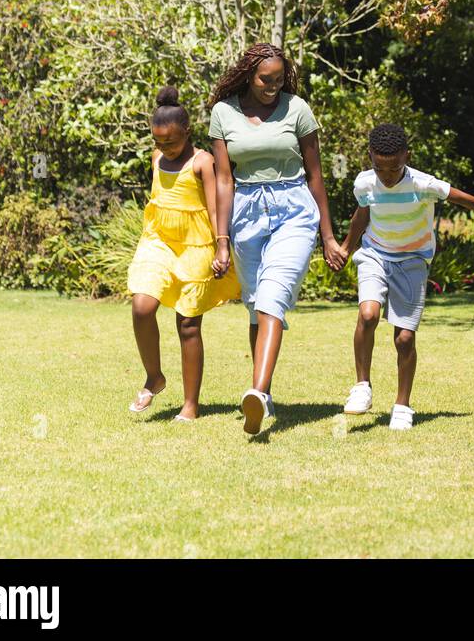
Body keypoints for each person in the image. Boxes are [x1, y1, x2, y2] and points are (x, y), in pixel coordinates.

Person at [209, 43, 345, 435]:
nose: (272, 87)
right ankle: (261, 394)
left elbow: (316, 174)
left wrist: (328, 236)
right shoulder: (224, 113)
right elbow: (223, 179)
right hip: (245, 214)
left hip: (294, 210)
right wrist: (221, 240)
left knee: (273, 297)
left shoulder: (297, 109)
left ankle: (259, 392)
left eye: (279, 80)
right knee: (256, 306)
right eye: (265, 80)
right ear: (248, 75)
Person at [339, 122, 474, 431]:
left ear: (406, 156)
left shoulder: (422, 183)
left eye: (393, 169)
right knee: (367, 313)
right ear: (371, 158)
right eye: (380, 169)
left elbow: (462, 199)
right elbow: (361, 214)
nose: (386, 177)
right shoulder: (364, 183)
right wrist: (346, 247)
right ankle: (362, 386)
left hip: (413, 260)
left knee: (404, 338)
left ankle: (402, 405)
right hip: (374, 254)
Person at [127, 86, 240, 421]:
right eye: (158, 142)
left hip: (196, 244)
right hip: (159, 241)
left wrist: (223, 245)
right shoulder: (157, 156)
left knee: (188, 323)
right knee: (142, 306)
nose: (164, 148)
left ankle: (190, 404)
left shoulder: (202, 161)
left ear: (188, 132)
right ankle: (155, 376)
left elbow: (215, 204)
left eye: (171, 142)